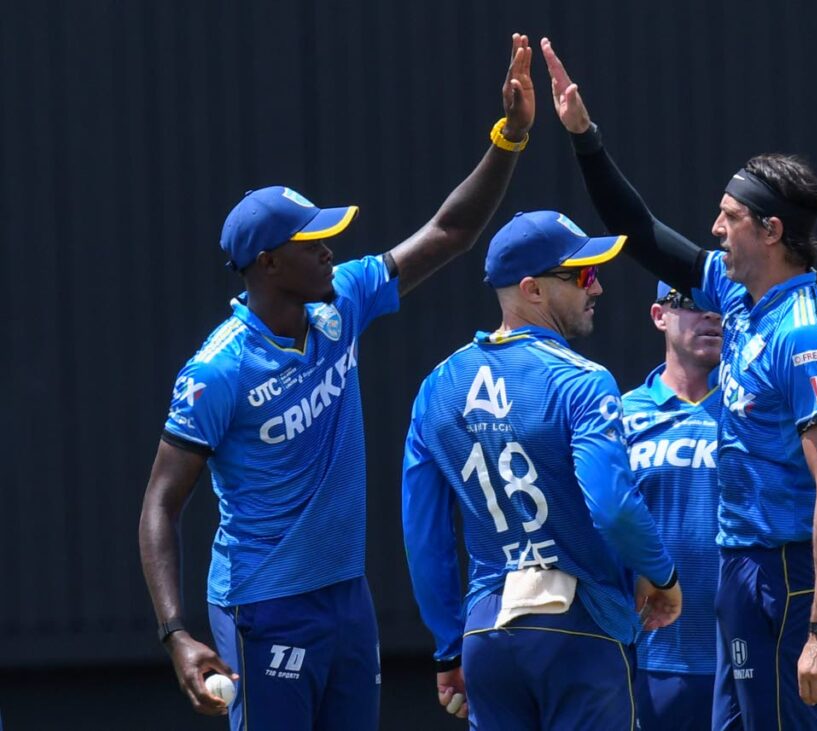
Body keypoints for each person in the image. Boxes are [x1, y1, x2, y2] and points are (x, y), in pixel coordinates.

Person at [138, 34, 535, 731]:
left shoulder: (340, 302)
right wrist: (176, 632)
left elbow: (450, 232)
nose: (330, 250)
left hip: (346, 598)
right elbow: (159, 506)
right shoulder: (217, 369)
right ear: (267, 264)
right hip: (263, 604)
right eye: (312, 241)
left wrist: (509, 137)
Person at [542, 38, 817, 730]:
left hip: (784, 574)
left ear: (771, 230)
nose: (715, 230)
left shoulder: (806, 334)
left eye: (730, 217)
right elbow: (638, 232)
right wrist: (582, 136)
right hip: (738, 565)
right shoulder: (740, 294)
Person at [401, 210, 682, 730]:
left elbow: (425, 538)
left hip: (486, 634)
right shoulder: (582, 380)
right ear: (531, 290)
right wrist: (661, 574)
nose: (595, 286)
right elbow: (613, 506)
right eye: (580, 275)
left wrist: (448, 647)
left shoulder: (437, 386)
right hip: (581, 627)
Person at [621, 283, 723, 731]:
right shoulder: (620, 415)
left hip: (742, 652)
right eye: (693, 305)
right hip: (648, 656)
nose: (711, 316)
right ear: (659, 315)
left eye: (720, 306)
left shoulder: (755, 409)